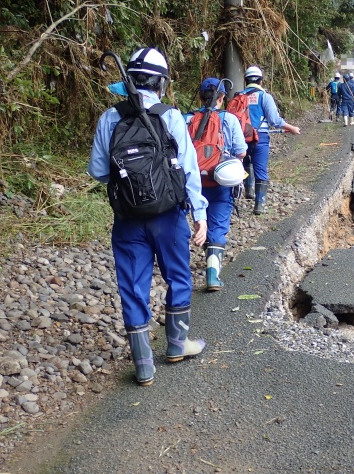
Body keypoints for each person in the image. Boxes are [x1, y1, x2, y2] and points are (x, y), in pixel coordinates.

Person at [88, 47, 208, 386]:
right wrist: (199, 214)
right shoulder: (170, 116)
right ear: (161, 82)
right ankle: (176, 344)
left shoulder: (109, 117)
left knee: (133, 286)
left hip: (127, 218)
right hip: (168, 216)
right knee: (179, 277)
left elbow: (98, 171)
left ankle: (143, 365)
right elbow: (188, 170)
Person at [186, 78, 247, 292]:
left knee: (200, 220)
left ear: (201, 97)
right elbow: (241, 151)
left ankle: (205, 255)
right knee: (218, 224)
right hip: (221, 180)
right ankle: (212, 275)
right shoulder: (229, 119)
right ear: (222, 98)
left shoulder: (187, 119)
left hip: (193, 183)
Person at [239, 65, 301, 215]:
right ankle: (259, 205)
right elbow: (274, 120)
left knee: (246, 163)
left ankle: (248, 189)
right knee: (260, 168)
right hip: (260, 137)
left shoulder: (238, 97)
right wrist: (292, 128)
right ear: (260, 81)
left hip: (242, 137)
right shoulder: (265, 97)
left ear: (246, 81)